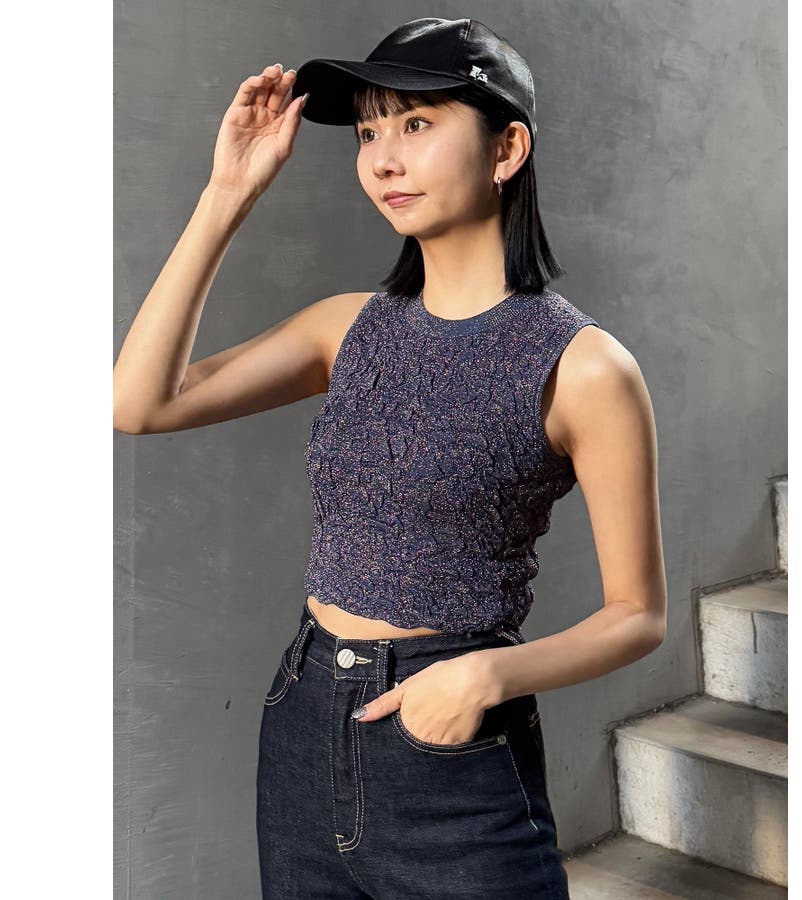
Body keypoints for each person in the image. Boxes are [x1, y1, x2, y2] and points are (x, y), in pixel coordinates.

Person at [113, 16, 667, 900]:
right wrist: (228, 193)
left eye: (416, 124)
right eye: (369, 133)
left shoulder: (584, 367)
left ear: (507, 148)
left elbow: (638, 614)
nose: (383, 159)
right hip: (302, 721)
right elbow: (139, 403)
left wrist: (488, 673)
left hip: (451, 744)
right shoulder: (345, 329)